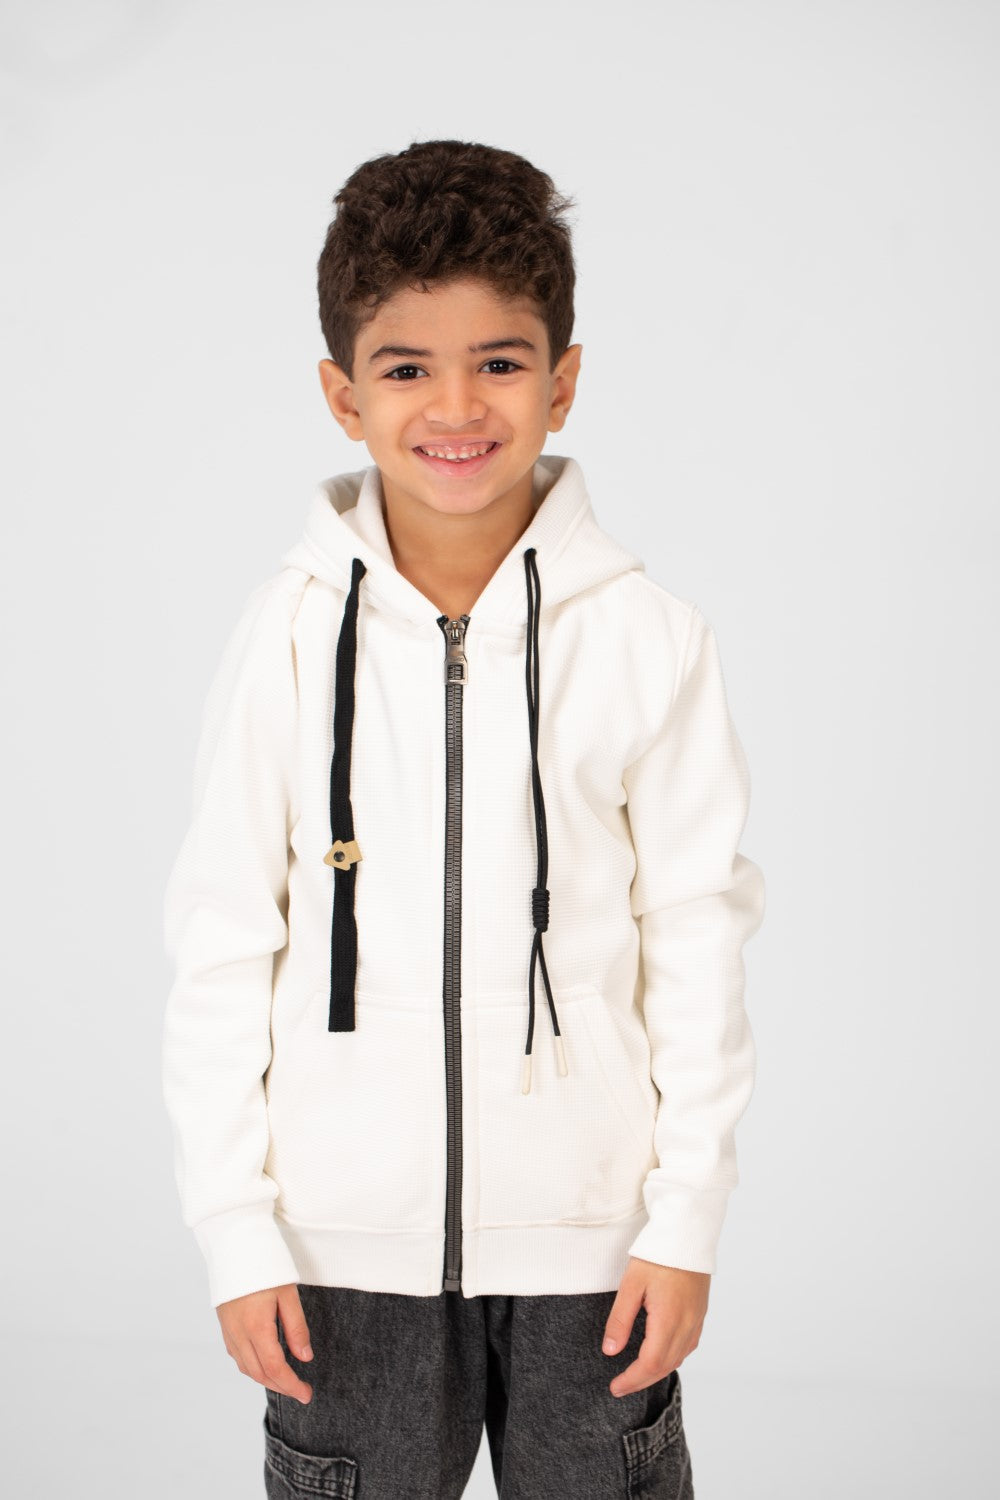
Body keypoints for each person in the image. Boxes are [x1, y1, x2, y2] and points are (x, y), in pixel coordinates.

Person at [161, 137, 765, 1499]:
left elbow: (698, 943)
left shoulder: (650, 640)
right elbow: (220, 940)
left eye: (498, 361)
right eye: (405, 368)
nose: (456, 406)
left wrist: (684, 1219)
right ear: (341, 394)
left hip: (595, 1250)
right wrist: (237, 1227)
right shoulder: (285, 638)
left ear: (563, 379)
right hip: (337, 1253)